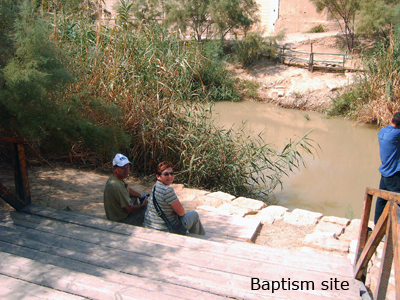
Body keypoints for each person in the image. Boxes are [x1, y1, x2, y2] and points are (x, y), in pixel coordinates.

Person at [144, 161, 206, 235]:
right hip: (165, 229)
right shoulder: (167, 190)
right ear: (158, 176)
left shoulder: (156, 185)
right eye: (166, 174)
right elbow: (181, 212)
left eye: (171, 173)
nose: (170, 176)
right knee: (194, 215)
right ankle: (199, 238)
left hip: (150, 226)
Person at [104, 153, 149, 226]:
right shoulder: (116, 186)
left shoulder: (116, 179)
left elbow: (127, 189)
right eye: (123, 168)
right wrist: (143, 206)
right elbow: (129, 209)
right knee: (148, 211)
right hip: (120, 221)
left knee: (134, 197)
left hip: (117, 214)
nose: (126, 170)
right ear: (115, 169)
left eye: (127, 167)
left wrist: (140, 196)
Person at [375, 112, 400, 225]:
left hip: (385, 173)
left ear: (391, 120)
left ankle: (378, 226)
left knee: (381, 200)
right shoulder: (397, 135)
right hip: (394, 175)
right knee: (397, 203)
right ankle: (396, 233)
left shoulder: (382, 131)